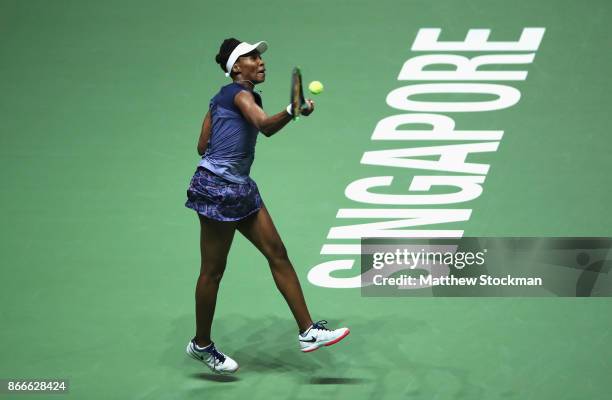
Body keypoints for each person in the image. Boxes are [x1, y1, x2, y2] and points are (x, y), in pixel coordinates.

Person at [184, 38, 349, 374]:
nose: (260, 62)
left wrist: (228, 139)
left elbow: (202, 144)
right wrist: (291, 111)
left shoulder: (223, 98)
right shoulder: (240, 95)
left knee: (277, 253)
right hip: (217, 190)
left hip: (241, 189)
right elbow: (263, 125)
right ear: (236, 67)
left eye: (260, 57)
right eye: (252, 57)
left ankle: (308, 331)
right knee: (213, 272)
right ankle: (201, 344)